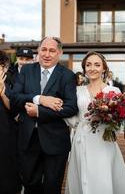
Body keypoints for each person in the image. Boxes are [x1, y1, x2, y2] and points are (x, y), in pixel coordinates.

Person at [10, 37, 78, 194]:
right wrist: (40, 99)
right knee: (29, 183)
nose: (47, 54)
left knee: (52, 187)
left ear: (60, 53)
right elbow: (15, 97)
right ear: (38, 51)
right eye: (44, 50)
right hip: (28, 139)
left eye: (52, 50)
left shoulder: (67, 76)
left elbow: (70, 107)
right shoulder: (27, 70)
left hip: (55, 141)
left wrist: (39, 111)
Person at [64, 51, 125, 194]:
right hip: (82, 139)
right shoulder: (77, 91)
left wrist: (107, 117)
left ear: (104, 68)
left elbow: (120, 120)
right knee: (84, 176)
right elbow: (72, 118)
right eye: (88, 65)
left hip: (104, 140)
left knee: (103, 176)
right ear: (84, 69)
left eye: (97, 64)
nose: (92, 68)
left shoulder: (114, 91)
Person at [0, 50, 21, 194]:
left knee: (8, 179)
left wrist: (2, 92)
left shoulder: (14, 83)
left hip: (7, 139)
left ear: (4, 68)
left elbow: (17, 113)